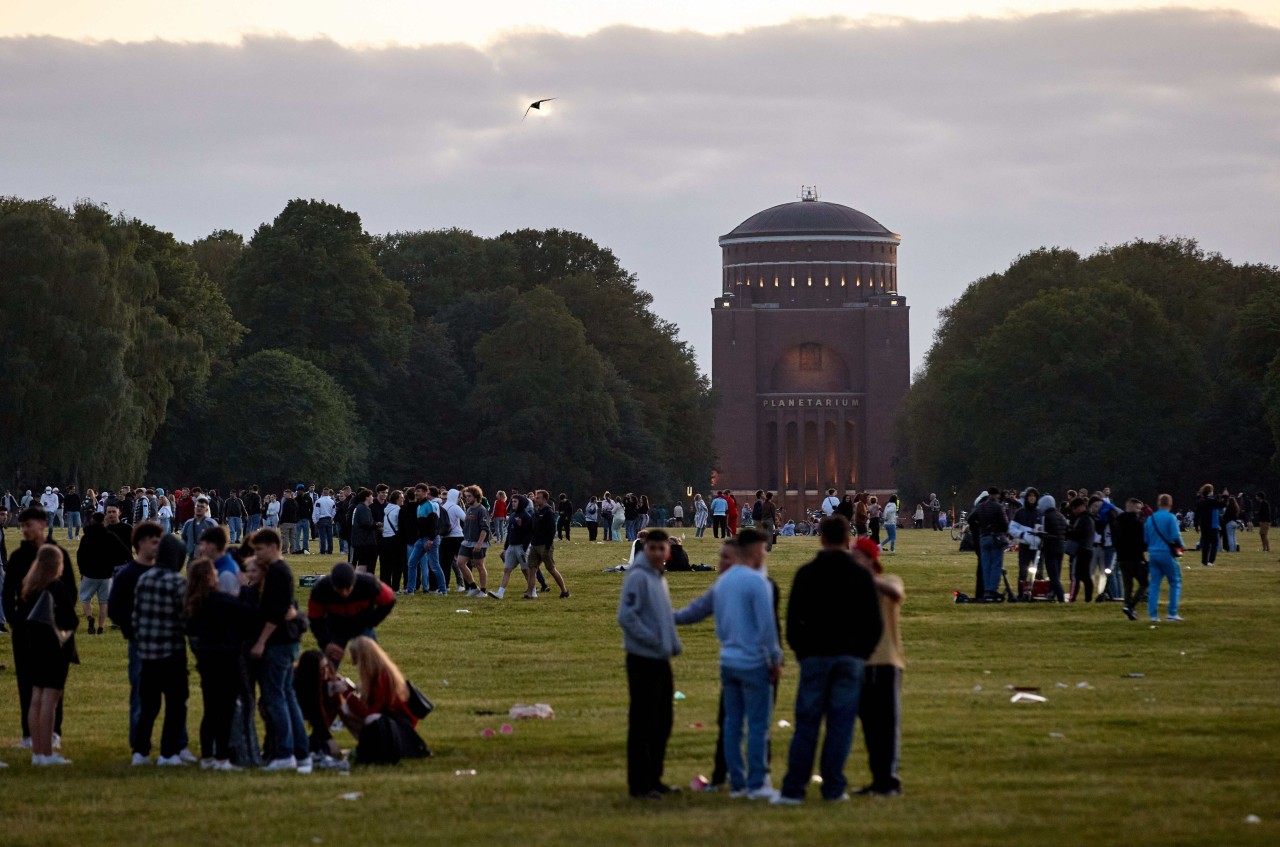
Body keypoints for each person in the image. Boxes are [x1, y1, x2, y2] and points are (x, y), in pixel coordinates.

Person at [774, 516, 883, 805]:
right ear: (847, 538)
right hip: (850, 657)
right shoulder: (860, 575)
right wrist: (861, 652)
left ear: (820, 537)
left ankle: (794, 789)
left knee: (807, 724)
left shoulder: (807, 573)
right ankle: (833, 788)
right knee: (840, 725)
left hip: (815, 656)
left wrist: (802, 651)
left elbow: (793, 619)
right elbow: (874, 622)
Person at [711, 528, 781, 798]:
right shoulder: (758, 582)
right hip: (754, 663)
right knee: (755, 726)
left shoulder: (726, 582)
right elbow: (767, 628)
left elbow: (697, 610)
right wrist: (775, 658)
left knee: (733, 724)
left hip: (731, 661)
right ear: (754, 551)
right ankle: (755, 783)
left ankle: (737, 781)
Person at [4, 507, 78, 750]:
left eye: (29, 525)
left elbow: (70, 591)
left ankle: (53, 731)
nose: (25, 530)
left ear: (43, 524)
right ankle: (29, 734)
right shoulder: (18, 557)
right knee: (27, 681)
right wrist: (14, 619)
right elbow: (8, 592)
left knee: (54, 684)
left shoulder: (58, 554)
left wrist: (62, 620)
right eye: (22, 526)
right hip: (25, 627)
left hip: (54, 628)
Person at [617, 529, 682, 799]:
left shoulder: (658, 577)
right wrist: (655, 641)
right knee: (643, 723)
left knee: (662, 721)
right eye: (652, 548)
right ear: (645, 550)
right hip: (643, 659)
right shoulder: (638, 577)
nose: (657, 552)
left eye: (661, 548)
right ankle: (639, 784)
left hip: (660, 659)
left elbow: (662, 616)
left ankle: (655, 779)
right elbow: (626, 617)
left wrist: (671, 643)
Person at [248, 528, 312, 773]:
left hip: (277, 642)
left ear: (274, 547)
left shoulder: (277, 571)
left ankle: (285, 753)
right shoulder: (280, 571)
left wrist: (261, 641)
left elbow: (277, 613)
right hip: (287, 641)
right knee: (287, 695)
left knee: (275, 698)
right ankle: (302, 753)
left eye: (260, 549)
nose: (257, 554)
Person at [184, 558, 258, 771]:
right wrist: (244, 589)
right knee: (225, 710)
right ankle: (222, 757)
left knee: (210, 709)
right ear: (209, 577)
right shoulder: (222, 600)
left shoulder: (193, 603)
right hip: (227, 658)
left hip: (206, 660)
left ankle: (207, 755)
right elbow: (249, 614)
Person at [132, 527, 192, 766]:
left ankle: (141, 751)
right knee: (176, 704)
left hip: (147, 653)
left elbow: (136, 616)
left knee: (148, 706)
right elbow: (185, 618)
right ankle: (168, 753)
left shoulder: (144, 578)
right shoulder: (178, 583)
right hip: (172, 652)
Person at [18, 543, 79, 765]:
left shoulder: (30, 587)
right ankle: (47, 753)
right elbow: (70, 619)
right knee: (50, 700)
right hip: (54, 649)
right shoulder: (56, 587)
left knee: (36, 697)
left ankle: (37, 752)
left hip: (33, 648)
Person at [853, 537, 905, 797]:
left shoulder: (890, 581)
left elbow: (896, 594)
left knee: (887, 724)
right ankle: (878, 779)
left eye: (858, 556)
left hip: (886, 662)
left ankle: (889, 779)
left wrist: (866, 579)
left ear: (871, 560)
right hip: (860, 664)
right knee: (870, 727)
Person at [342, 636, 430, 764]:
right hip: (391, 721)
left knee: (355, 713)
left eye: (356, 658)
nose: (354, 663)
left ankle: (369, 746)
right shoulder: (380, 674)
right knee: (346, 709)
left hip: (394, 725)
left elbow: (371, 713)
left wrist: (347, 694)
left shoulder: (382, 678)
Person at [307, 563, 396, 666]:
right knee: (328, 664)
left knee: (372, 662)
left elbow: (389, 600)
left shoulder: (368, 583)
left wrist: (371, 621)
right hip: (335, 626)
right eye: (340, 590)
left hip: (362, 625)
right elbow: (315, 619)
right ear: (332, 585)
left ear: (354, 583)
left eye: (348, 588)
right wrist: (325, 643)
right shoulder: (321, 590)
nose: (344, 593)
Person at [76, 511, 131, 635]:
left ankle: (90, 617)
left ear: (92, 520)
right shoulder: (110, 535)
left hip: (89, 573)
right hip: (106, 574)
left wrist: (82, 570)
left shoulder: (86, 536)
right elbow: (125, 551)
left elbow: (80, 555)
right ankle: (100, 627)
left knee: (85, 598)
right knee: (104, 602)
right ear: (103, 520)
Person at [1145, 494, 1185, 622]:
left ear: (1158, 504)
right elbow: (1175, 535)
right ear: (1170, 504)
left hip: (1153, 553)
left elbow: (1145, 539)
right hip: (1167, 553)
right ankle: (1172, 613)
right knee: (1175, 582)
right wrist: (1181, 547)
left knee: (1154, 584)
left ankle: (1153, 615)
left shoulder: (1150, 519)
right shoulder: (1170, 517)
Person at [527, 489, 570, 599]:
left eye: (538, 498)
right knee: (532, 569)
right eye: (536, 497)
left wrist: (548, 545)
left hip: (544, 546)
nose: (536, 499)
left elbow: (552, 530)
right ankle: (530, 593)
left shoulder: (548, 512)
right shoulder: (536, 512)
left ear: (545, 499)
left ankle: (564, 591)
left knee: (551, 569)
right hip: (535, 545)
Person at [970, 487, 1009, 602]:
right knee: (996, 564)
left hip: (984, 537)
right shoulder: (998, 507)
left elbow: (970, 519)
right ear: (996, 495)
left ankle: (986, 590)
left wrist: (981, 527)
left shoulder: (981, 506)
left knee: (986, 565)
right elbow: (1005, 524)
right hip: (996, 537)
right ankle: (992, 590)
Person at [1114, 498, 1148, 621]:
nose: (1140, 511)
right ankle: (1131, 605)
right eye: (1138, 508)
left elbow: (1115, 539)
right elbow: (1141, 543)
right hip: (1134, 557)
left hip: (1121, 557)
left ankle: (1127, 606)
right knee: (1144, 583)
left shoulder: (1118, 521)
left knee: (1128, 585)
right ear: (1133, 508)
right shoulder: (1138, 523)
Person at [456, 485, 491, 597]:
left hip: (478, 542)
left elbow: (485, 528)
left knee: (479, 565)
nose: (467, 499)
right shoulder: (469, 509)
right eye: (466, 496)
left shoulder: (481, 510)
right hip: (467, 541)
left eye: (469, 496)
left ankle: (483, 590)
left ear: (476, 497)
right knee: (460, 563)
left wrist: (479, 543)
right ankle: (473, 586)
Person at [1066, 497, 1096, 602]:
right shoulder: (1089, 518)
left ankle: (1072, 597)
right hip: (1087, 549)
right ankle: (1088, 598)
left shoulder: (1084, 518)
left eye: (1074, 508)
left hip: (1081, 550)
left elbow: (1078, 533)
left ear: (1081, 506)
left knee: (1075, 576)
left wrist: (1068, 530)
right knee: (1086, 576)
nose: (1073, 511)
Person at [378, 490, 405, 591]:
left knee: (385, 565)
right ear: (397, 499)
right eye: (402, 497)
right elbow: (399, 525)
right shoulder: (398, 510)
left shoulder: (387, 509)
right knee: (398, 565)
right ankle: (395, 587)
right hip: (395, 539)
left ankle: (385, 587)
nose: (403, 499)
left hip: (385, 539)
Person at [180, 496, 218, 565]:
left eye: (202, 507)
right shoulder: (188, 523)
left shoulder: (211, 523)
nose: (199, 508)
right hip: (192, 559)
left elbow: (217, 541)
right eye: (197, 506)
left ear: (206, 509)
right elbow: (184, 539)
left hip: (207, 560)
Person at [349, 488, 379, 574]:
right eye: (371, 496)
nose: (373, 497)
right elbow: (366, 523)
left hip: (361, 541)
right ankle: (360, 582)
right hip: (364, 541)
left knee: (363, 563)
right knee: (364, 564)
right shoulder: (364, 508)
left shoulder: (360, 507)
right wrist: (377, 525)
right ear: (367, 497)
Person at [1193, 484, 1223, 567]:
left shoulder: (1200, 502)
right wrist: (1225, 496)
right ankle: (1211, 561)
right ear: (1210, 492)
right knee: (1214, 544)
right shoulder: (1212, 501)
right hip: (1213, 526)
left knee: (1205, 544)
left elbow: (1196, 514)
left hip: (1204, 526)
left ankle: (1204, 562)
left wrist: (1196, 525)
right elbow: (1222, 505)